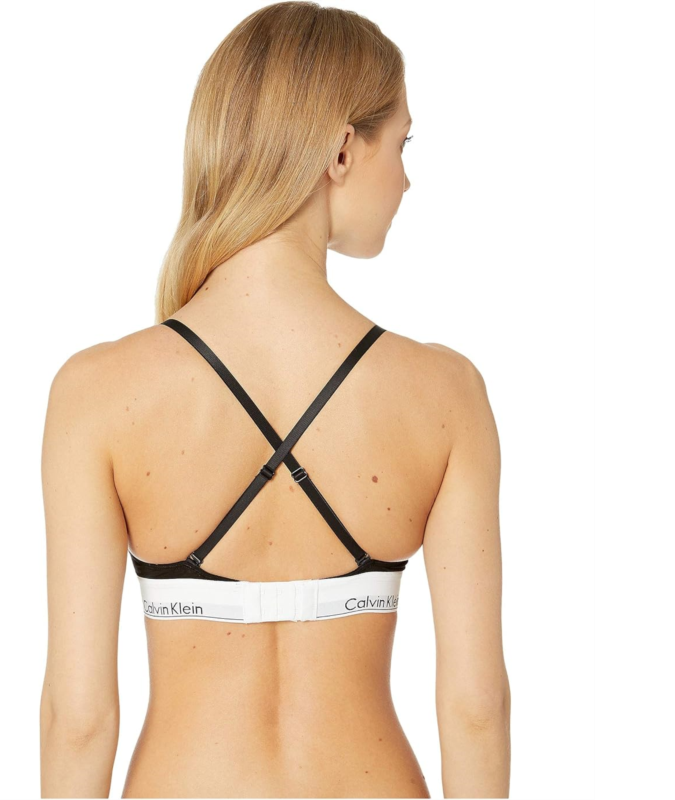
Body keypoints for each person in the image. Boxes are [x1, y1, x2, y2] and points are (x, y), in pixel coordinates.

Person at [39, 2, 511, 797]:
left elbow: (79, 718)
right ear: (340, 151)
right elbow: (475, 709)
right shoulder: (444, 394)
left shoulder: (97, 393)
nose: (406, 178)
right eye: (402, 144)